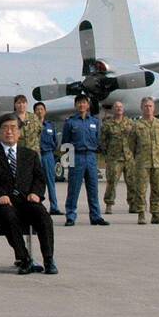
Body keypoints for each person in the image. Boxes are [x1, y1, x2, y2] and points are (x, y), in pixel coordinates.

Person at [0, 113, 57, 274]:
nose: (9, 131)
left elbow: (39, 179)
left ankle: (49, 259)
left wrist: (36, 193)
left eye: (13, 128)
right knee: (9, 216)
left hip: (26, 201)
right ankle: (24, 259)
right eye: (5, 128)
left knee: (43, 215)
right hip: (0, 203)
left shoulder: (30, 155)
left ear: (19, 132)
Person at [60, 95, 108, 226]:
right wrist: (67, 162)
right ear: (76, 105)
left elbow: (98, 141)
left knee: (93, 188)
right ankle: (70, 216)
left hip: (91, 156)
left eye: (84, 103)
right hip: (76, 156)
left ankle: (96, 216)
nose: (82, 105)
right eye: (79, 103)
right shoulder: (70, 122)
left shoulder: (94, 122)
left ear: (88, 105)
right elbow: (65, 143)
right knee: (73, 188)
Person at [129, 97, 159, 225]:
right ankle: (141, 214)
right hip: (142, 162)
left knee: (157, 188)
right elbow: (131, 144)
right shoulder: (136, 125)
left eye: (150, 106)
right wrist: (140, 155)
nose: (148, 108)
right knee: (140, 189)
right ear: (141, 108)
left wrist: (158, 153)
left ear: (154, 108)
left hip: (157, 161)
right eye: (145, 106)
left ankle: (156, 214)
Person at [100, 101, 134, 215]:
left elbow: (135, 140)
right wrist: (108, 155)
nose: (119, 109)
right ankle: (109, 204)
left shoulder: (130, 123)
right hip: (114, 158)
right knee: (112, 182)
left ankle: (133, 204)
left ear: (123, 109)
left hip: (128, 157)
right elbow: (103, 141)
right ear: (113, 109)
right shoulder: (108, 124)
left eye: (120, 107)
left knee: (131, 182)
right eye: (116, 107)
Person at [34, 101, 61, 215]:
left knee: (50, 181)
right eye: (37, 109)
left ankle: (54, 207)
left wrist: (50, 151)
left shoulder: (50, 125)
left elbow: (55, 141)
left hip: (48, 155)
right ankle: (37, 207)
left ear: (45, 111)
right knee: (36, 182)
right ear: (34, 112)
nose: (40, 111)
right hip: (35, 155)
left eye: (41, 109)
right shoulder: (31, 125)